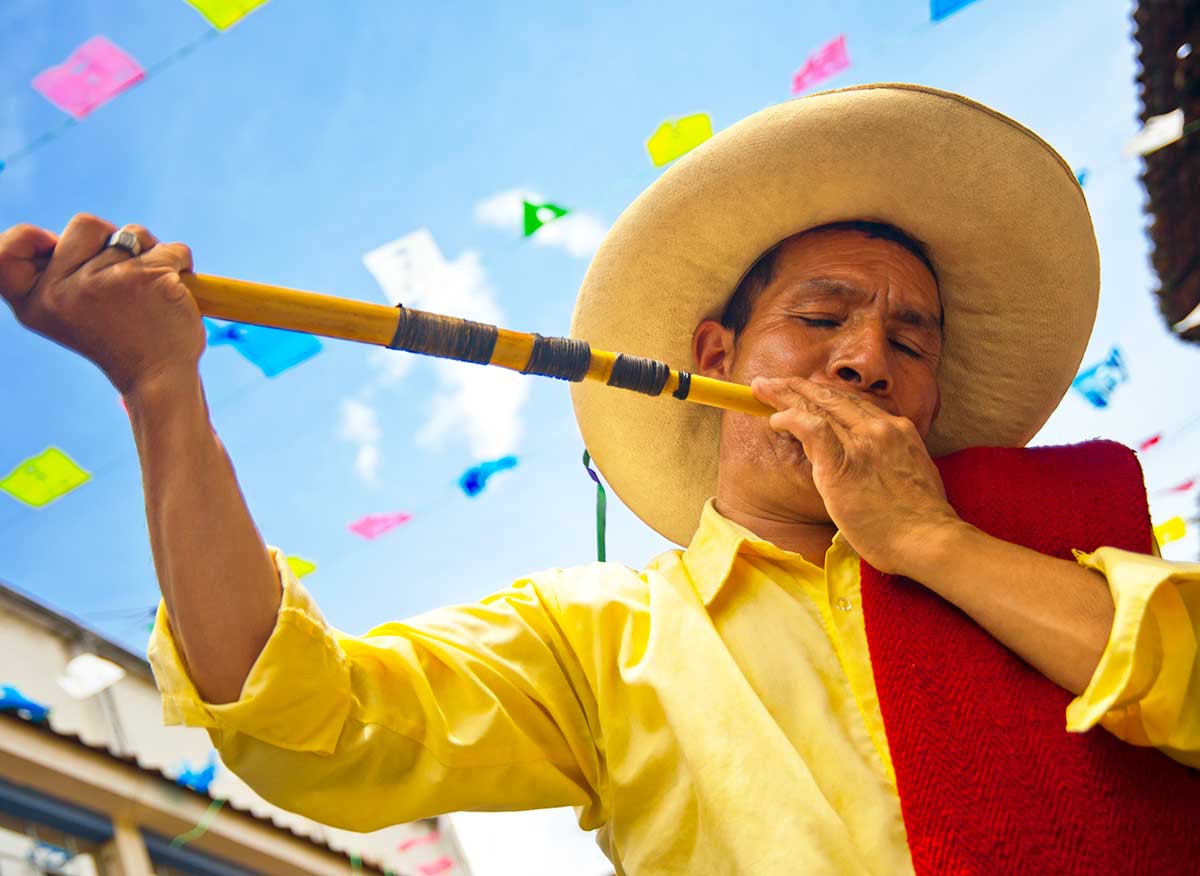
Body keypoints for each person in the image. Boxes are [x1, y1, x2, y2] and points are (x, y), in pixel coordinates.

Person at [2, 84, 1197, 876]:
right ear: (716, 359)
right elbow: (300, 722)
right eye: (822, 317)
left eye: (913, 343)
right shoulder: (594, 639)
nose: (865, 359)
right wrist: (161, 387)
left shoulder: (1058, 563)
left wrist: (931, 543)